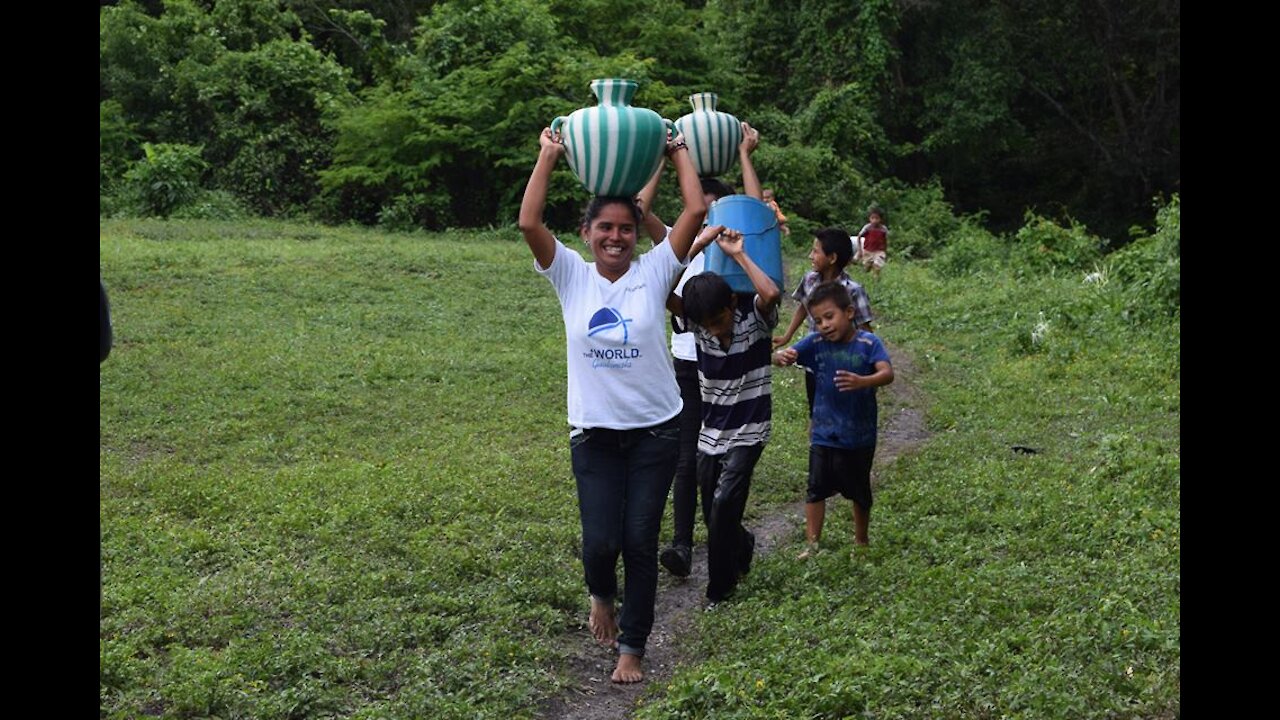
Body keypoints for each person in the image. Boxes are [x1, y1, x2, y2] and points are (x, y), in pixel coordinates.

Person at [518, 125, 707, 684]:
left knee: (639, 539)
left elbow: (694, 209)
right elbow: (529, 223)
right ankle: (601, 593)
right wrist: (549, 157)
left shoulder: (655, 271)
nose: (617, 237)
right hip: (595, 435)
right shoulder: (571, 275)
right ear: (587, 232)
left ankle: (633, 647)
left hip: (655, 432)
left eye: (626, 228)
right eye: (605, 227)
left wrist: (677, 152)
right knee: (600, 540)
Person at [634, 124, 763, 580]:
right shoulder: (678, 239)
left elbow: (757, 212)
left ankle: (733, 537)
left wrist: (744, 153)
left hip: (736, 371)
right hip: (690, 366)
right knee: (690, 457)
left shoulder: (739, 244)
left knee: (728, 462)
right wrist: (660, 162)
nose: (709, 218)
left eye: (716, 211)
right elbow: (637, 210)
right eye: (701, 211)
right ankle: (683, 546)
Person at [671, 228, 780, 605]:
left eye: (720, 320)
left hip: (750, 429)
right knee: (712, 511)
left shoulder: (753, 317)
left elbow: (771, 294)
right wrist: (694, 248)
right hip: (711, 432)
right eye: (707, 324)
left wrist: (738, 255)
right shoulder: (698, 324)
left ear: (732, 303)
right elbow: (659, 293)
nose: (715, 329)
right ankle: (744, 541)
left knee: (723, 505)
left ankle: (720, 589)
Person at [773, 281, 893, 557]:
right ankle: (812, 544)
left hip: (859, 434)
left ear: (849, 312)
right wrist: (782, 356)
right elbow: (783, 356)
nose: (824, 325)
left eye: (829, 317)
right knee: (815, 488)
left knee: (860, 490)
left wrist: (864, 381)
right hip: (823, 432)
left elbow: (887, 373)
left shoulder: (868, 343)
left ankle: (861, 540)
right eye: (818, 320)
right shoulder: (816, 343)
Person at [772, 228, 874, 417]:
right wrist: (787, 335)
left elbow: (865, 330)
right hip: (816, 361)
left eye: (816, 251)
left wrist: (867, 367)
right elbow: (803, 306)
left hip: (843, 364)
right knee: (816, 410)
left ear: (832, 258)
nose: (811, 255)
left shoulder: (852, 291)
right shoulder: (810, 280)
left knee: (843, 411)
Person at [854, 207, 890, 279]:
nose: (874, 220)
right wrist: (860, 250)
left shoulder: (883, 229)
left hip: (879, 251)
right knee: (867, 267)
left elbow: (885, 240)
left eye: (877, 218)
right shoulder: (867, 228)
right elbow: (859, 236)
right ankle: (862, 277)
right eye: (872, 218)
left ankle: (876, 281)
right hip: (868, 250)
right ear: (869, 219)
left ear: (881, 219)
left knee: (877, 266)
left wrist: (885, 251)